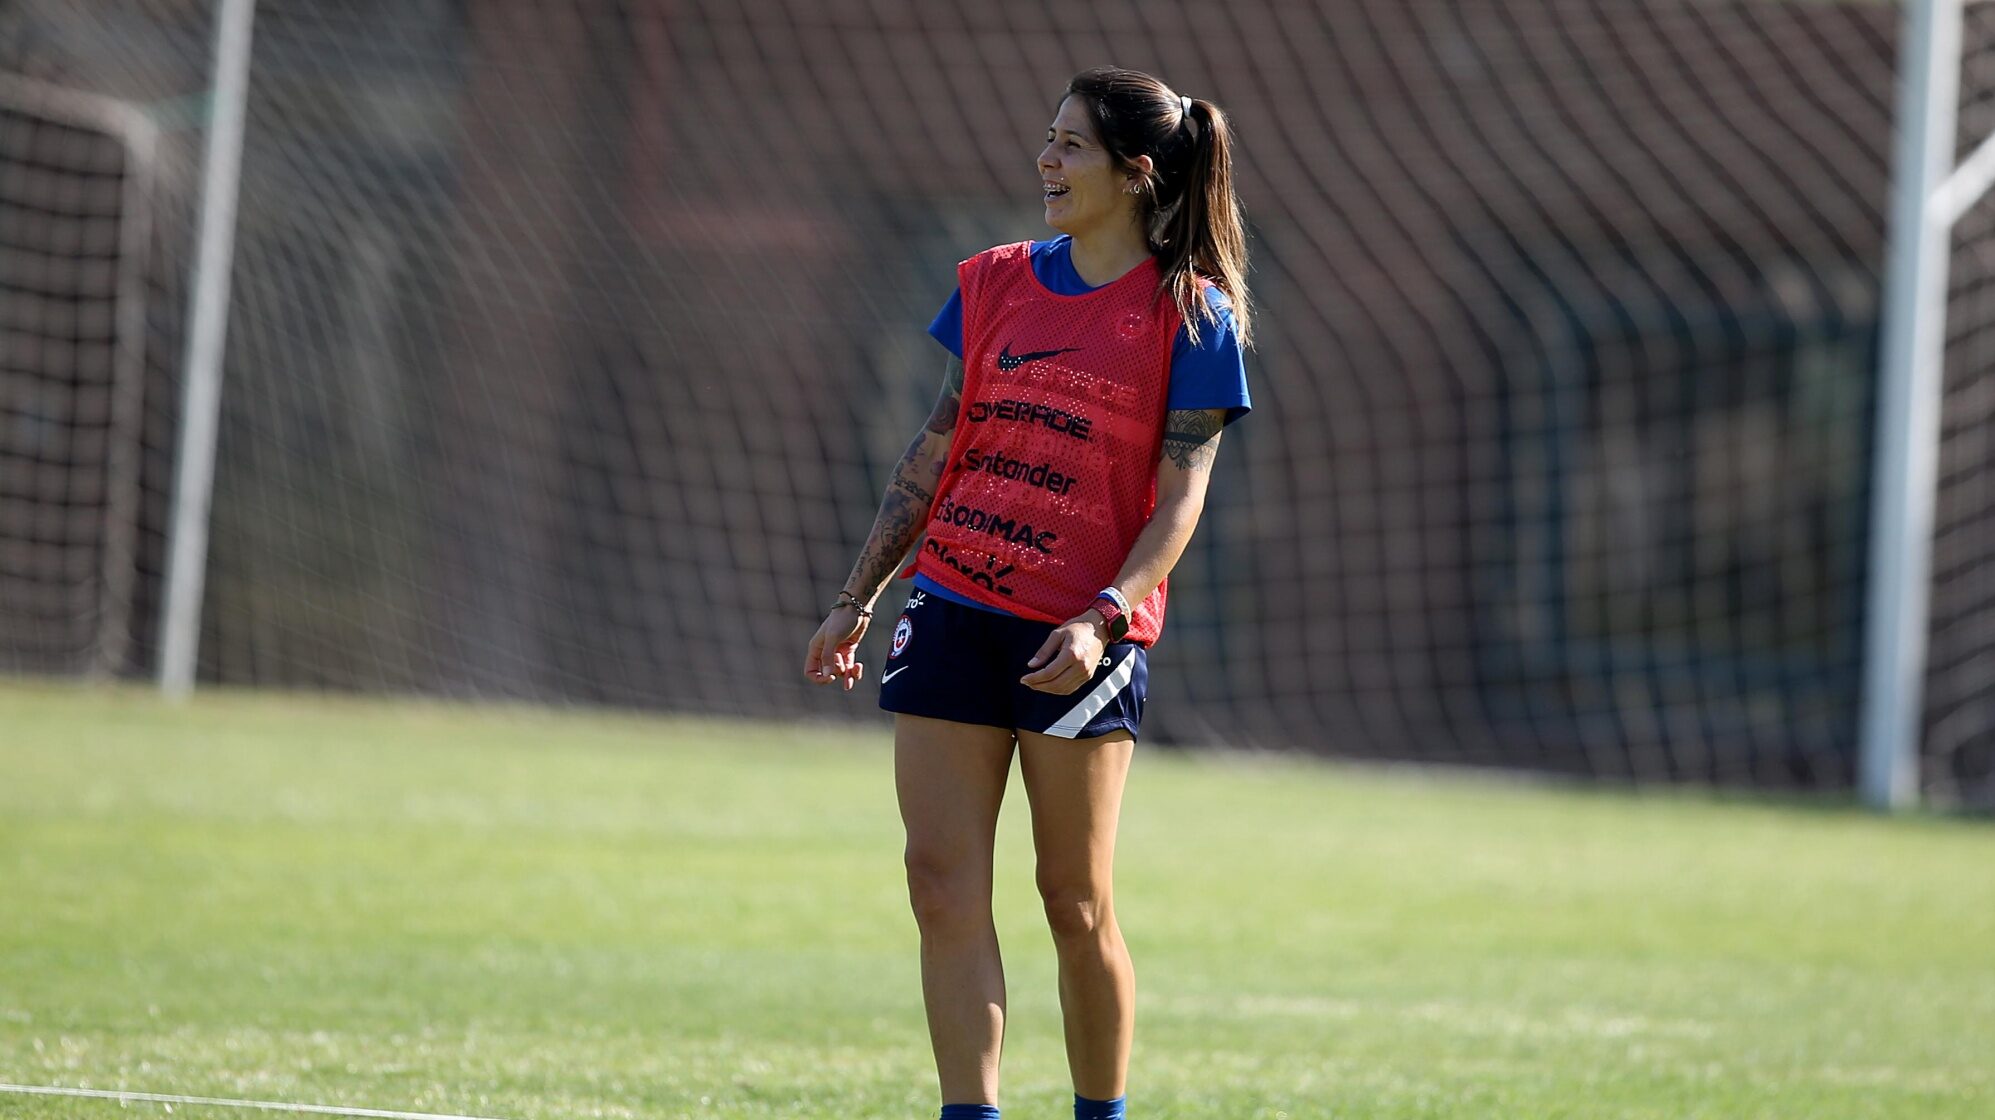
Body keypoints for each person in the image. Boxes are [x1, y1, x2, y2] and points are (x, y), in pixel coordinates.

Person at [803, 66, 1253, 1120]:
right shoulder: (995, 279)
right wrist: (856, 595)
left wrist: (1104, 616)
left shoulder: (1193, 317)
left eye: (1071, 146)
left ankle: (1101, 1111)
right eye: (1047, 140)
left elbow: (1180, 503)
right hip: (953, 604)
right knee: (939, 879)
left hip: (1082, 635)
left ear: (1136, 174)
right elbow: (935, 445)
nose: (1046, 161)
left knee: (1075, 899)